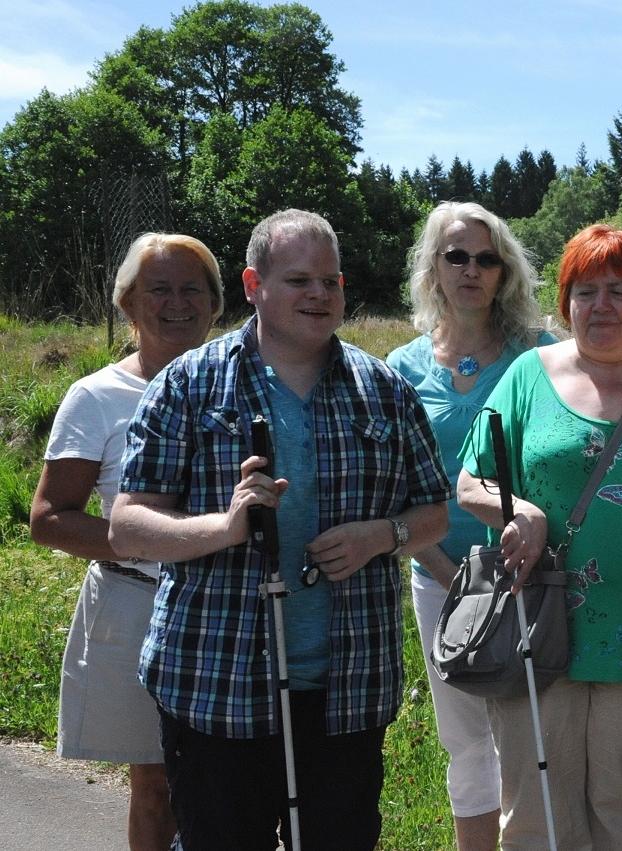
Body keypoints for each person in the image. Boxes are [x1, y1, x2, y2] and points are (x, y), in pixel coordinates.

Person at [108, 209, 451, 851]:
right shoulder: (189, 384)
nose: (319, 295)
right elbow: (127, 526)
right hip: (216, 682)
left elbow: (434, 511)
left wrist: (384, 536)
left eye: (331, 281)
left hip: (346, 685)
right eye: (299, 280)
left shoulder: (386, 392)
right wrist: (224, 526)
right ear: (252, 284)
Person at [458, 224, 622, 850]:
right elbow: (470, 480)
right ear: (565, 303)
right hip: (537, 627)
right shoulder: (528, 376)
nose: (600, 306)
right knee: (534, 819)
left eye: (618, 291)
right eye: (585, 292)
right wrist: (517, 509)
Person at [31, 232, 222, 850]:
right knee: (157, 783)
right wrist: (150, 543)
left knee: (238, 778)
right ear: (127, 304)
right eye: (157, 289)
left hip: (233, 605)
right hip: (136, 605)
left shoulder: (247, 384)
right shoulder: (95, 397)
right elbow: (49, 517)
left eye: (191, 289)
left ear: (216, 303)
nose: (175, 303)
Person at [387, 201, 554, 850]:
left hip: (526, 573)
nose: (472, 269)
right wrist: (448, 573)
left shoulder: (539, 356)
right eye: (456, 255)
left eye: (487, 258)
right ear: (433, 266)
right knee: (463, 739)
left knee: (527, 732)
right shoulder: (402, 367)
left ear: (504, 271)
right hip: (439, 576)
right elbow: (394, 482)